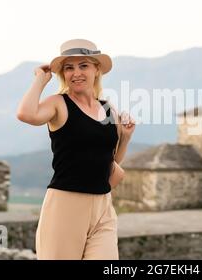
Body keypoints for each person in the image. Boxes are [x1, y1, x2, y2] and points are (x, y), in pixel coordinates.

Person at [16, 39, 135, 259]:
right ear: (63, 74)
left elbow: (112, 161)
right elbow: (26, 114)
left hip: (103, 207)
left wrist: (125, 139)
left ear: (96, 69)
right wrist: (40, 81)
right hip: (65, 205)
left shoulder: (109, 109)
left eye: (83, 66)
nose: (76, 73)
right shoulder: (58, 103)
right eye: (69, 67)